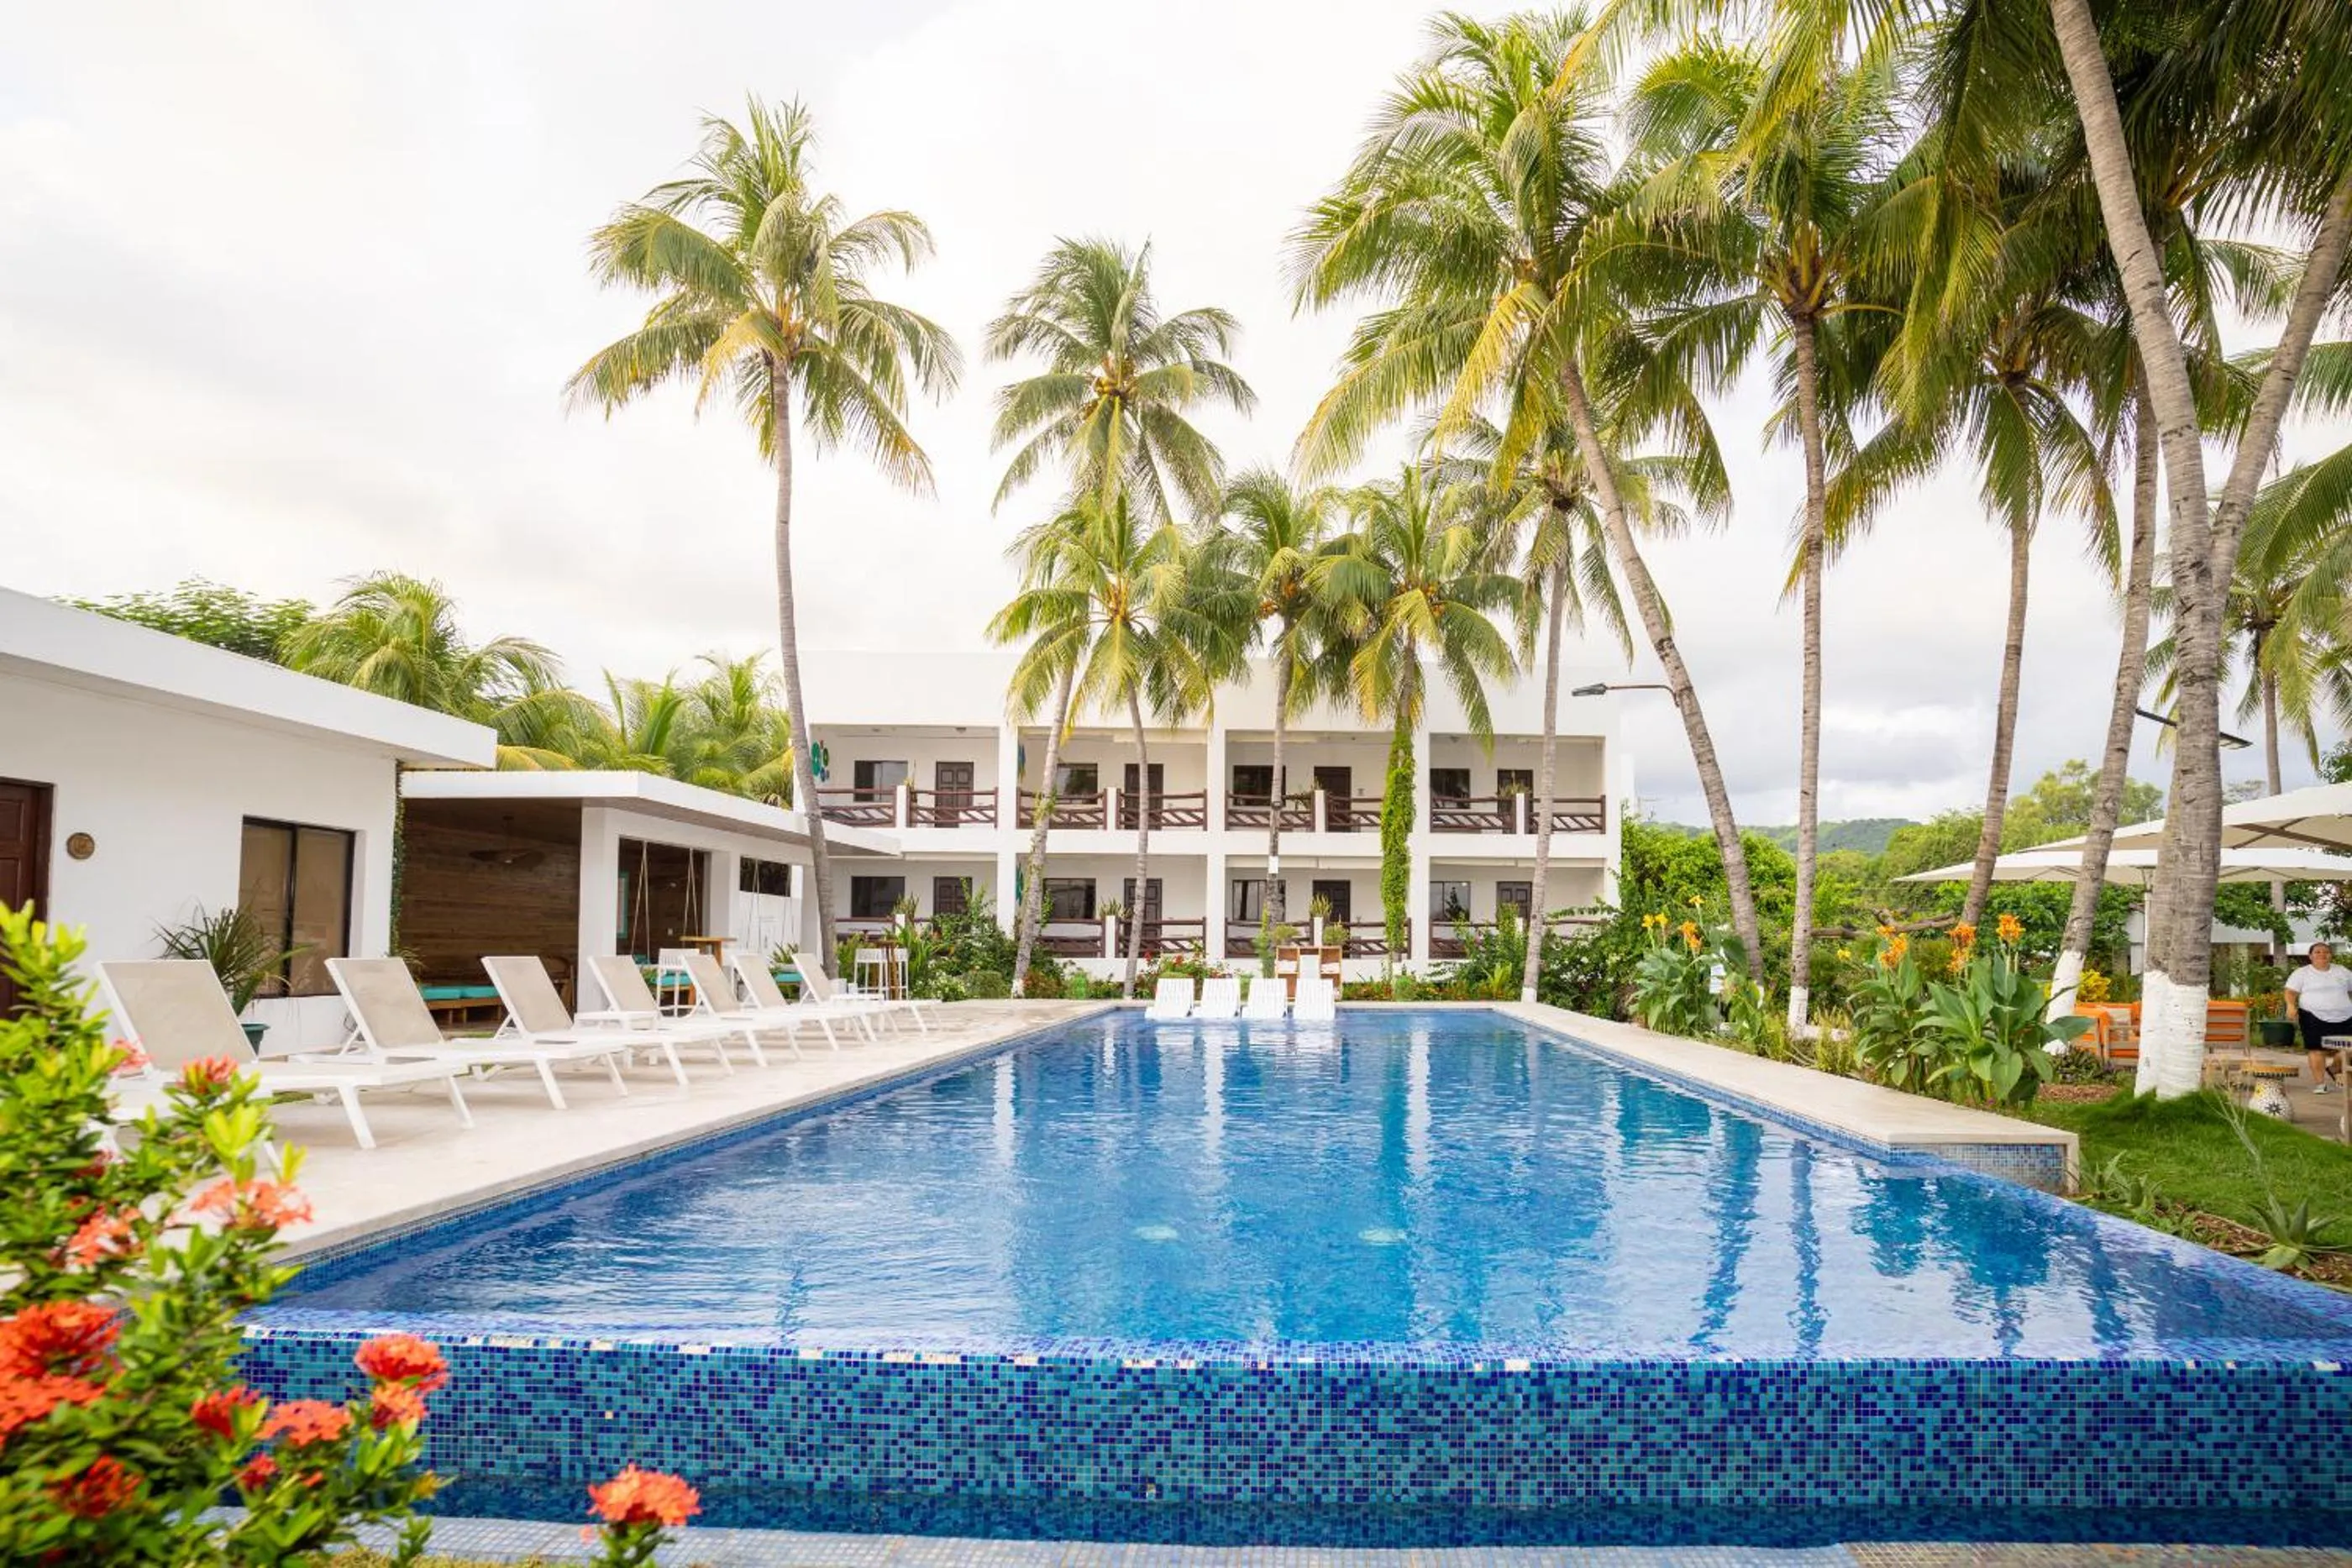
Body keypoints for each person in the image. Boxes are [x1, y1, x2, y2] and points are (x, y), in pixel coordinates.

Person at [2286, 941, 2352, 1093]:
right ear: (2310, 956)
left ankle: (2335, 1068)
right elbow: (2290, 992)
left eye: (2326, 952)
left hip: (2345, 1016)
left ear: (2331, 955)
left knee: (2348, 1048)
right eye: (2317, 952)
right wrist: (2290, 1006)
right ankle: (2320, 1084)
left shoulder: (2341, 971)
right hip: (2312, 1016)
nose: (2322, 954)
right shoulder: (2302, 973)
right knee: (2317, 1049)